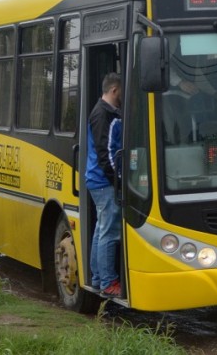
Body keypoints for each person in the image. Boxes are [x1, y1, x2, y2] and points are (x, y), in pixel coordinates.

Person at [86, 72, 123, 298]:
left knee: (101, 230)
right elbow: (106, 153)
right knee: (109, 232)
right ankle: (109, 282)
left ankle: (99, 278)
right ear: (114, 90)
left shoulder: (103, 112)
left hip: (97, 180)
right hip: (104, 181)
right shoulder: (104, 115)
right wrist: (117, 180)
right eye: (121, 92)